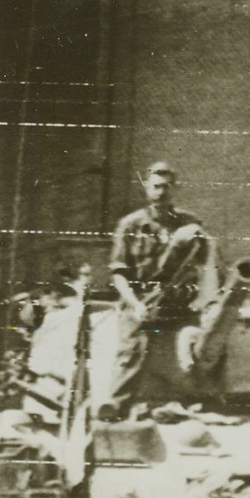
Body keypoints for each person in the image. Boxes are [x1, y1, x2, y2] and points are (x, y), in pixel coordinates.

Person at [99, 161, 212, 420]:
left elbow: (208, 263)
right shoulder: (130, 225)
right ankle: (114, 407)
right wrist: (135, 304)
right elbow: (119, 273)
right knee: (133, 350)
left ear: (174, 189)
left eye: (167, 187)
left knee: (203, 345)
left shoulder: (190, 222)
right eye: (156, 187)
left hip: (178, 303)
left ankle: (200, 403)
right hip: (141, 301)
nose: (161, 192)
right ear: (147, 189)